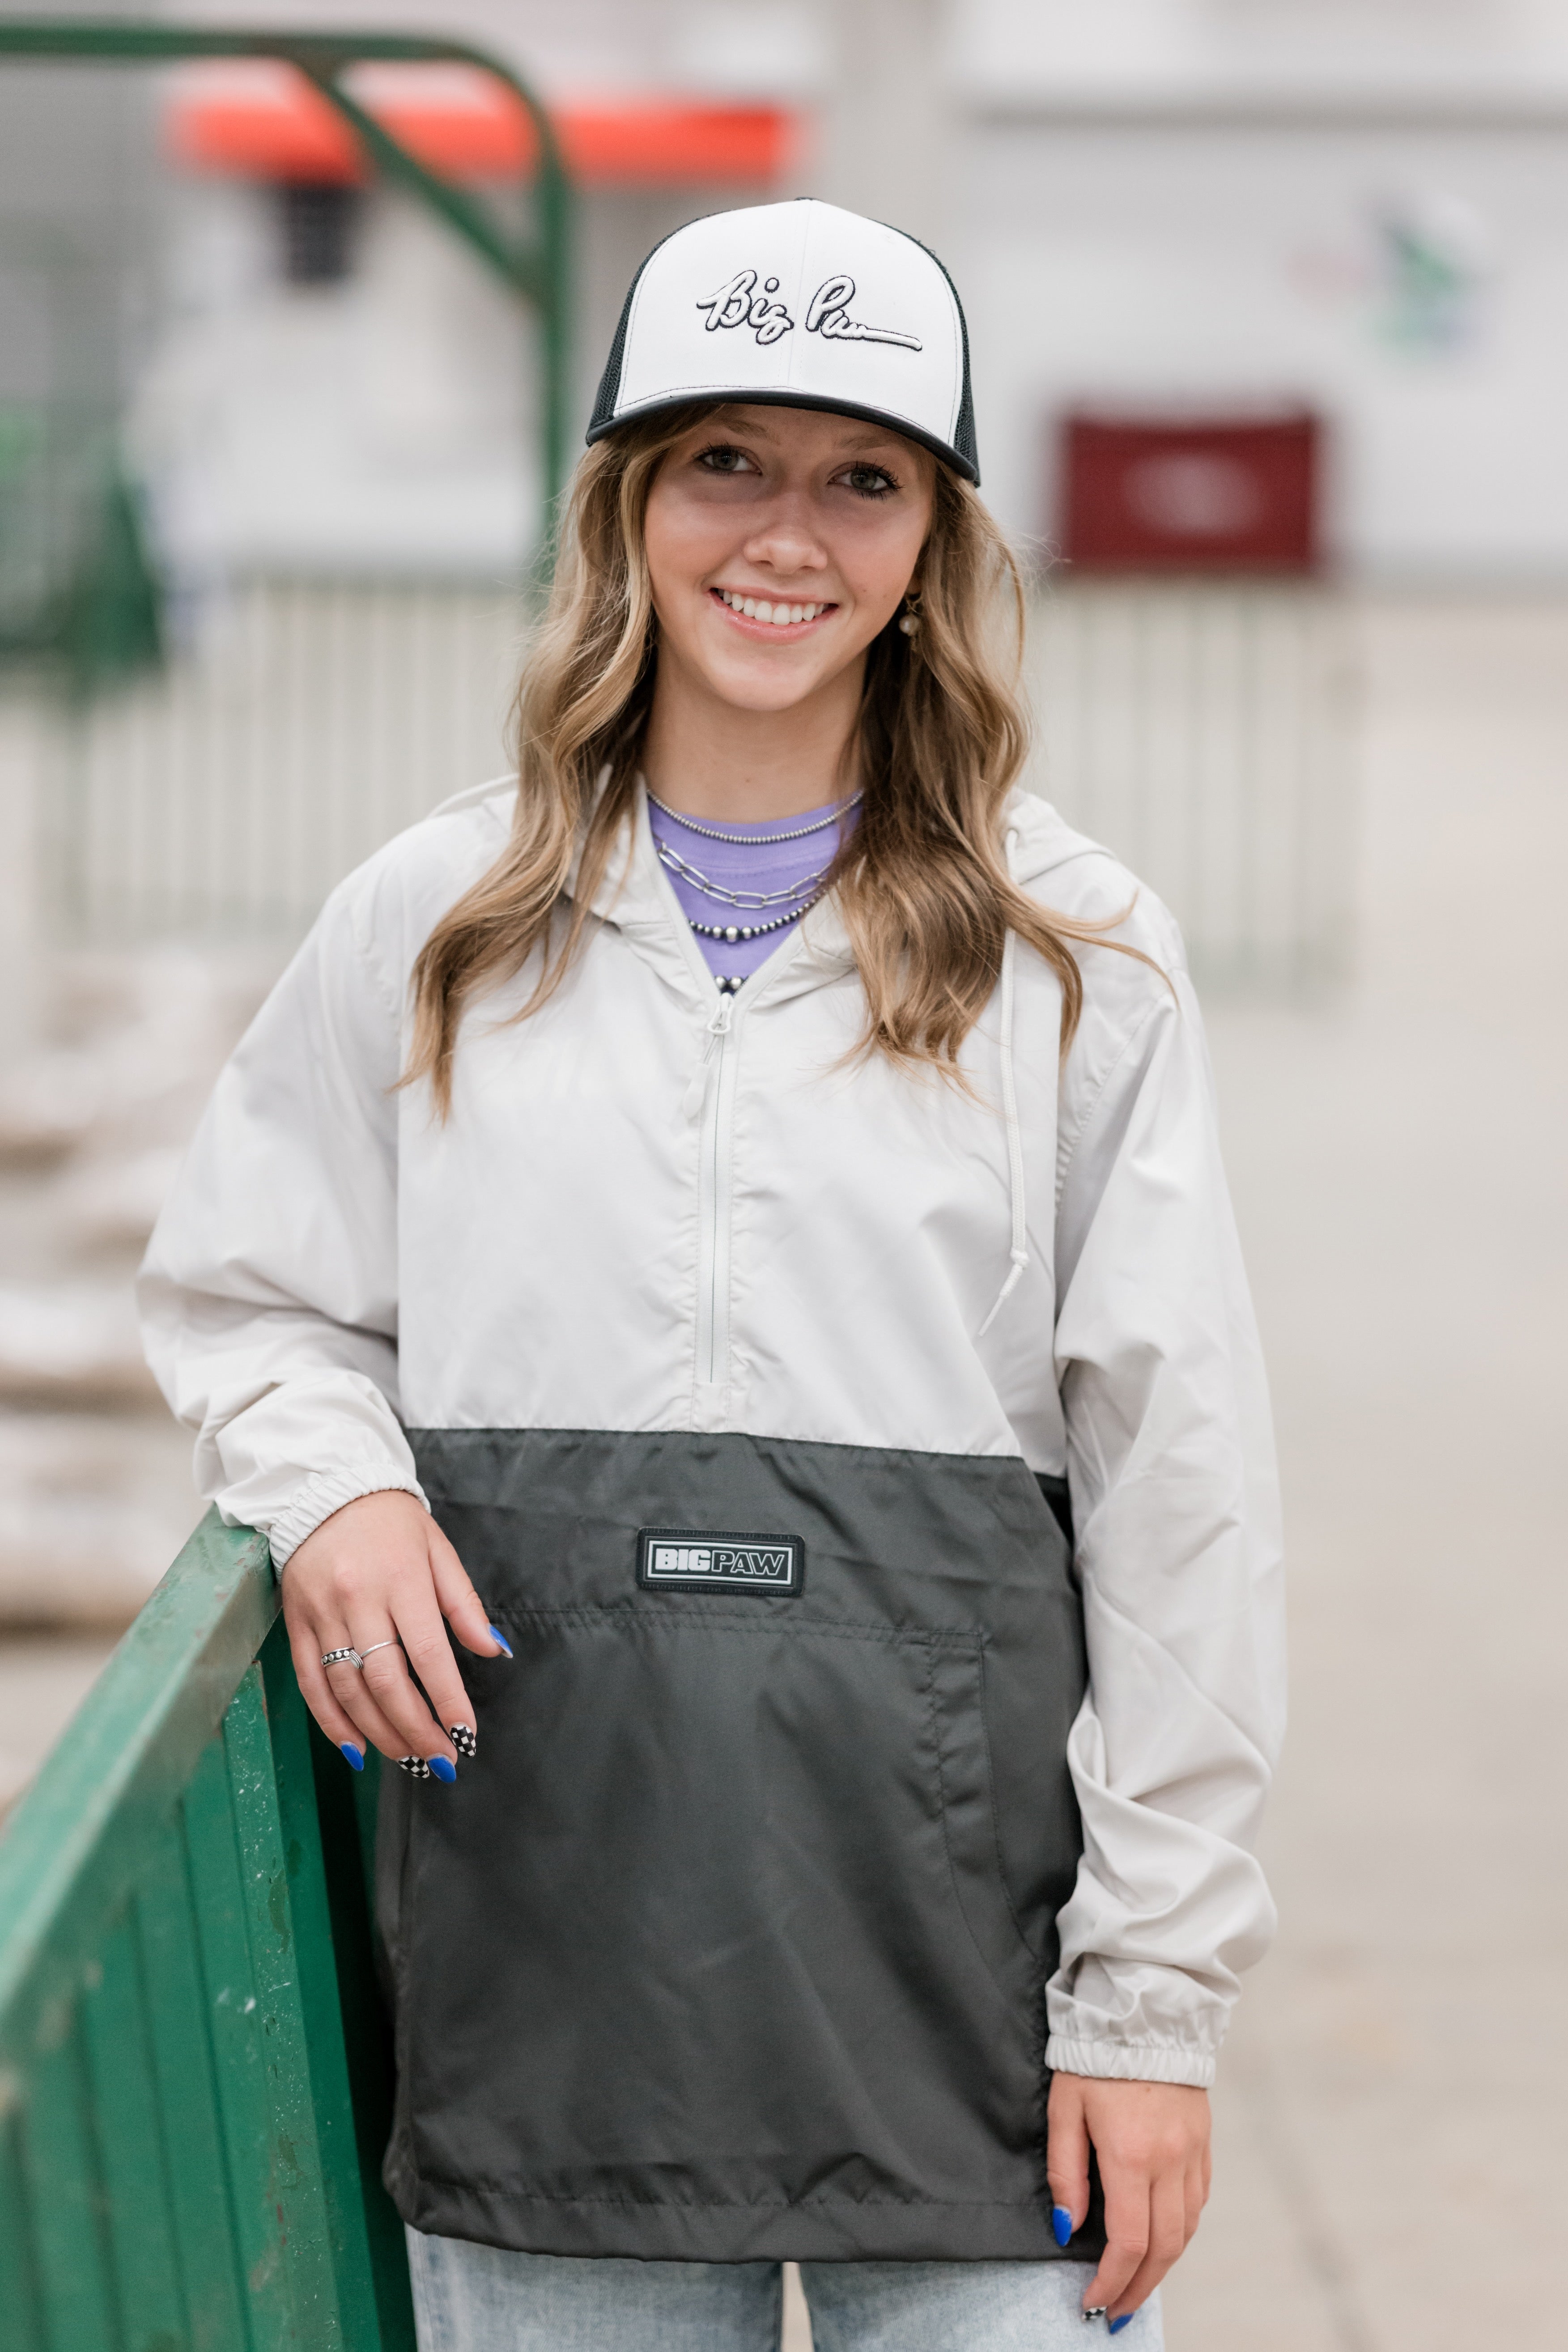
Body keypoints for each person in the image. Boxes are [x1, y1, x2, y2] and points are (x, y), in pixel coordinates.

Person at [140, 199, 1285, 2351]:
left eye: (861, 476)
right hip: (547, 1965)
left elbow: (1180, 1489)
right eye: (722, 462)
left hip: (971, 2001)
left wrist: (1154, 2003)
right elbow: (248, 1291)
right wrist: (338, 1481)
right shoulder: (437, 914)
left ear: (935, 538)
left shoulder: (1075, 953)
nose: (788, 535)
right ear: (626, 510)